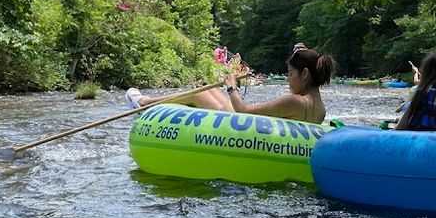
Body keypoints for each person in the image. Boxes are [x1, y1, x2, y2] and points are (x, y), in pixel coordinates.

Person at [127, 44, 334, 123]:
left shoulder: (295, 101)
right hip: (254, 128)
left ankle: (145, 104)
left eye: (290, 74)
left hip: (240, 125)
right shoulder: (320, 108)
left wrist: (232, 85)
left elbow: (243, 110)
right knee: (213, 91)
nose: (288, 80)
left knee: (200, 94)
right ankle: (148, 104)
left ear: (305, 74)